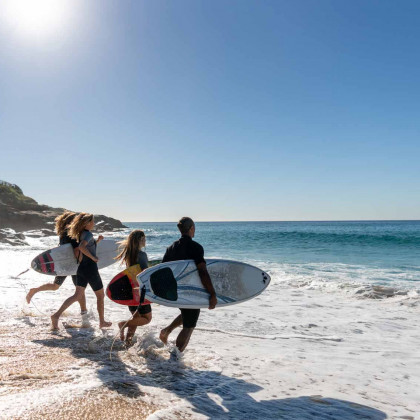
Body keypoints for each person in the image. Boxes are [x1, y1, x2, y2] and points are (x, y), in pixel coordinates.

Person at [159, 217, 217, 352]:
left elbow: (162, 271)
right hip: (190, 292)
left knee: (186, 312)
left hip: (174, 292)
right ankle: (175, 359)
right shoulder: (196, 247)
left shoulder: (170, 248)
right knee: (189, 326)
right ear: (191, 228)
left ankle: (166, 331)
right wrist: (212, 293)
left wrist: (160, 293)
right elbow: (202, 271)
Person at [51, 213, 112, 330]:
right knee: (100, 296)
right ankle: (102, 322)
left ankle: (56, 315)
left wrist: (97, 242)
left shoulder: (80, 234)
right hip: (90, 268)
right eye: (93, 222)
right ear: (87, 223)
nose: (94, 224)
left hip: (81, 268)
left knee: (77, 295)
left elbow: (85, 247)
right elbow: (82, 248)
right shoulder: (88, 234)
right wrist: (93, 258)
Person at [26, 211, 88, 323]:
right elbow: (75, 250)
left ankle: (35, 290)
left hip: (64, 264)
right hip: (74, 265)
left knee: (56, 286)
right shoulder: (72, 233)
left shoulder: (63, 233)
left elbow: (64, 249)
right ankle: (84, 315)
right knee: (80, 291)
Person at [115, 230, 152, 347]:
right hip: (140, 292)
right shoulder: (142, 255)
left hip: (129, 291)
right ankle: (123, 324)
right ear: (140, 240)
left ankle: (128, 343)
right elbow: (145, 274)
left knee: (136, 319)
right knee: (147, 318)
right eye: (144, 239)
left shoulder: (129, 254)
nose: (145, 241)